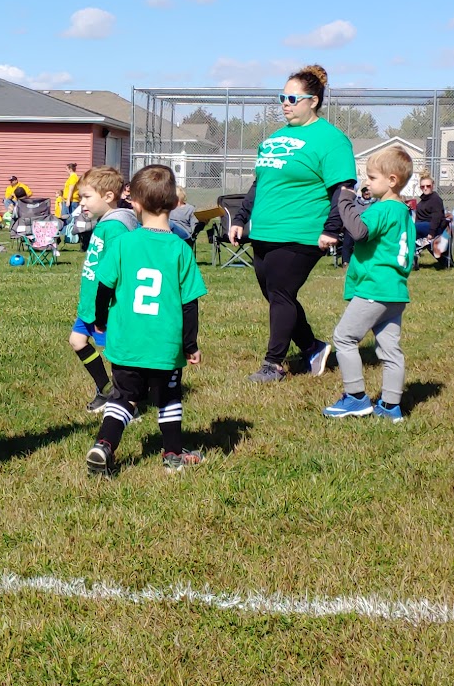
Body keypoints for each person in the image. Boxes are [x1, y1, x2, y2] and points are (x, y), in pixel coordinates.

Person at [228, 64, 355, 383]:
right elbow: (259, 184)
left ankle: (274, 364)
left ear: (313, 101)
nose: (284, 103)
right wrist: (241, 219)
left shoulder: (331, 140)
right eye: (281, 97)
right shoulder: (274, 138)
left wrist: (332, 228)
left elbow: (343, 189)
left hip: (302, 232)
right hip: (264, 232)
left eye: (292, 98)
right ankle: (313, 347)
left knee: (282, 292)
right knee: (275, 295)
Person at [84, 165, 206, 477]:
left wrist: (100, 321)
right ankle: (173, 456)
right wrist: (190, 344)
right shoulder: (181, 249)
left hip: (126, 341)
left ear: (134, 204)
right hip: (164, 345)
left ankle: (105, 445)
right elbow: (190, 304)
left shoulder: (124, 243)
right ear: (175, 203)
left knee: (123, 397)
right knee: (168, 398)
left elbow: (104, 287)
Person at [323, 146, 414, 422]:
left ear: (392, 180)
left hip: (375, 288)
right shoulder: (403, 213)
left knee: (344, 338)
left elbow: (359, 231)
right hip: (395, 292)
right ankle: (390, 405)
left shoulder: (383, 209)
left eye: (372, 178)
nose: (367, 183)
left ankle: (355, 398)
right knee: (390, 350)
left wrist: (344, 201)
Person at [68, 166, 135, 410]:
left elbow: (120, 268)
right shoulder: (104, 223)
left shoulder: (115, 227)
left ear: (108, 196)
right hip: (90, 304)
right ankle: (106, 390)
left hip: (106, 307)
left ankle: (127, 402)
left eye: (86, 197)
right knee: (77, 341)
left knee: (116, 354)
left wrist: (104, 309)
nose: (82, 203)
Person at [412, 173, 448, 264]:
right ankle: (412, 257)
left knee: (411, 228)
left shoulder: (435, 199)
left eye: (428, 186)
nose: (425, 188)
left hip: (435, 228)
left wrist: (431, 233)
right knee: (409, 233)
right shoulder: (423, 200)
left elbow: (437, 217)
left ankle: (413, 255)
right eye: (422, 186)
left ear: (432, 186)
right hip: (423, 226)